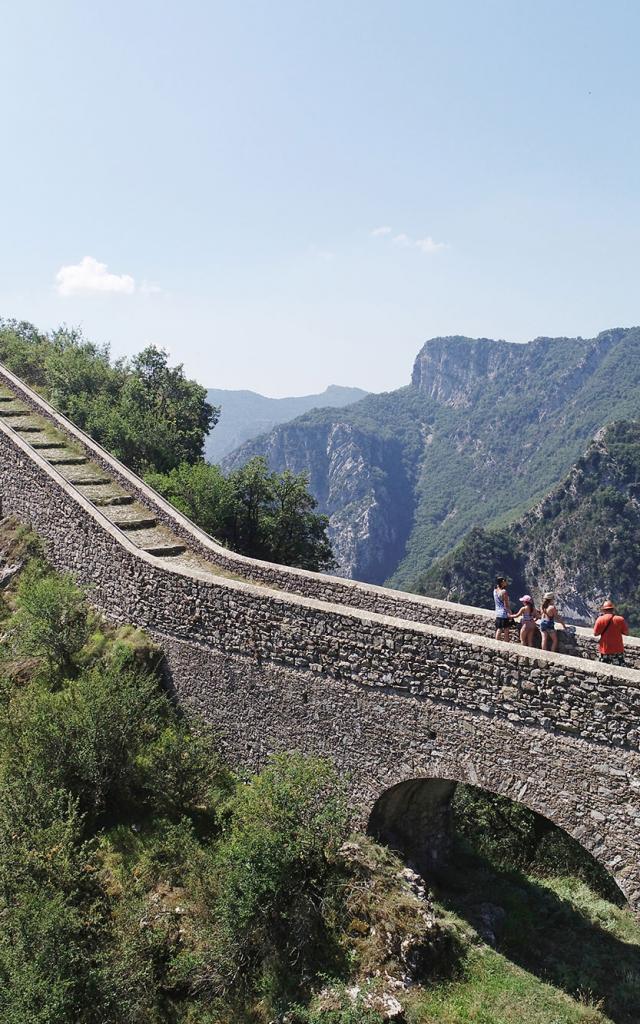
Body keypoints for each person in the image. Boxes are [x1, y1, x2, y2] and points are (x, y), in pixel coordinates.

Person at [593, 599, 629, 666]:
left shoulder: (600, 619)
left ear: (604, 610)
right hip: (618, 649)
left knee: (604, 670)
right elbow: (626, 633)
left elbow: (595, 633)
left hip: (605, 650)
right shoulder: (620, 619)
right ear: (612, 609)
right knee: (619, 670)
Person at [493, 576, 513, 641]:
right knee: (506, 630)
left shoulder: (495, 591)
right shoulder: (504, 592)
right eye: (504, 581)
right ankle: (506, 645)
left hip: (498, 612)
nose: (506, 582)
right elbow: (506, 605)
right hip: (504, 613)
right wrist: (510, 613)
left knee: (499, 629)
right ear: (502, 582)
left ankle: (496, 643)